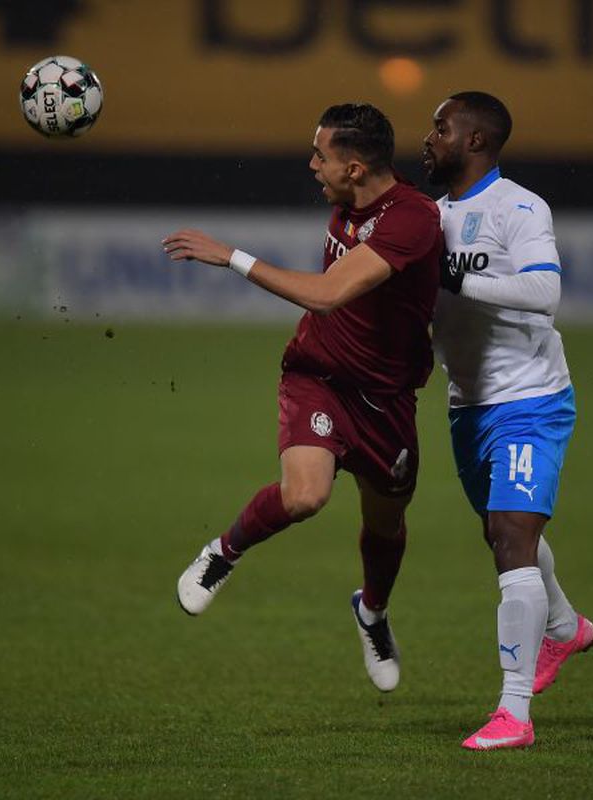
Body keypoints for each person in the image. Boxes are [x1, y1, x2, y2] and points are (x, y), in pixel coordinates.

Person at [164, 103, 442, 693]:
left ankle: (372, 612)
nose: (312, 165)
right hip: (318, 376)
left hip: (387, 400)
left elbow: (326, 294)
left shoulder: (412, 219)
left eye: (321, 156)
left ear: (356, 168)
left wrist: (231, 256)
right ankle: (222, 553)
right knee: (306, 495)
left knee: (387, 521)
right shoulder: (348, 199)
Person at [422, 91, 593, 750]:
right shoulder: (431, 216)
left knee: (511, 539)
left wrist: (457, 281)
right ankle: (565, 627)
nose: (429, 138)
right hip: (468, 405)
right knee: (499, 532)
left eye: (441, 128)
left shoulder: (518, 207)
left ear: (475, 140)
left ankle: (514, 713)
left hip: (531, 399)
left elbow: (544, 292)